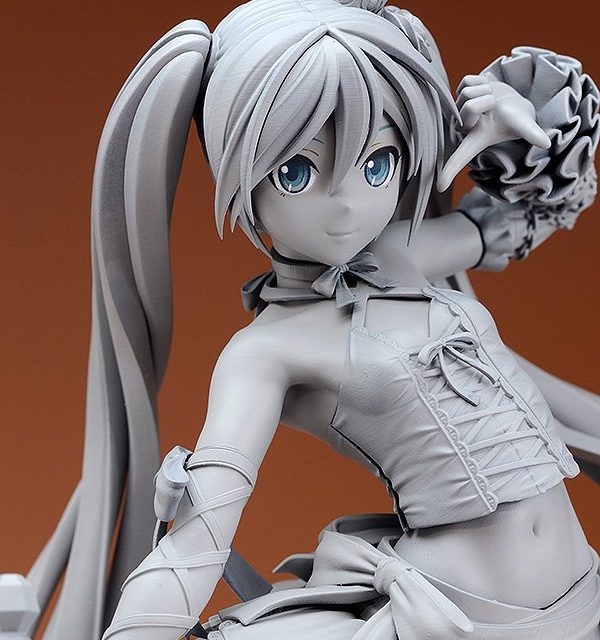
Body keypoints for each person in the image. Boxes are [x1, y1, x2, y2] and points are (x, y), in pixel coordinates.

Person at [4, 1, 599, 639]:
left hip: (582, 596)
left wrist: (519, 132)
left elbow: (527, 219)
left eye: (378, 164)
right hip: (453, 620)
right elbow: (198, 542)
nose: (346, 204)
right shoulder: (264, 353)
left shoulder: (400, 255)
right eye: (297, 171)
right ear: (239, 170)